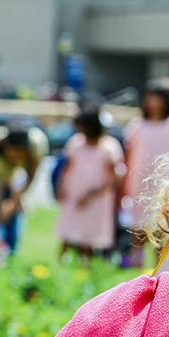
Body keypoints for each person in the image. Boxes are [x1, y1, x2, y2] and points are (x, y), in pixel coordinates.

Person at [121, 78, 169, 266]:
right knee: (137, 233)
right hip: (138, 185)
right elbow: (128, 157)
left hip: (163, 185)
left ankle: (158, 271)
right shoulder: (137, 125)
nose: (153, 103)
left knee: (161, 234)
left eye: (158, 98)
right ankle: (134, 270)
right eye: (150, 98)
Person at [55, 109, 124, 258]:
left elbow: (114, 177)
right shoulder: (76, 142)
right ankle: (60, 264)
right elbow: (67, 167)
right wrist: (61, 186)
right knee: (67, 231)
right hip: (73, 193)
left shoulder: (109, 147)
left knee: (88, 236)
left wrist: (92, 194)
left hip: (96, 198)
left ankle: (86, 267)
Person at [0, 125, 47, 257]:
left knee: (16, 211)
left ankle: (11, 249)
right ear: (6, 146)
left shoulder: (36, 146)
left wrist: (13, 203)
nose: (16, 156)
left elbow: (31, 175)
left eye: (20, 153)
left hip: (17, 178)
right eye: (14, 152)